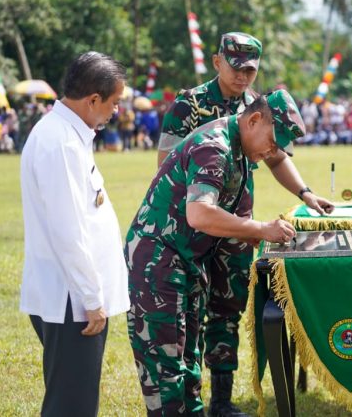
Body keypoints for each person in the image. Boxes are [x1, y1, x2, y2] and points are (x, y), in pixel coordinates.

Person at [157, 32, 333, 416]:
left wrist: (305, 193)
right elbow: (167, 167)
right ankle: (191, 400)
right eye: (236, 68)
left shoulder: (258, 106)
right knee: (188, 309)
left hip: (237, 229)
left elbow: (276, 158)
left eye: (250, 70)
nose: (242, 77)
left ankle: (221, 399)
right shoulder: (190, 104)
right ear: (218, 62)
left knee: (227, 308)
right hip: (194, 227)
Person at [126, 90, 309, 416]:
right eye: (273, 141)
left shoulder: (238, 145)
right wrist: (259, 229)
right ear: (253, 120)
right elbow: (199, 214)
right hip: (159, 261)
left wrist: (247, 233)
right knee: (166, 369)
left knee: (188, 359)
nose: (273, 151)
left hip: (186, 259)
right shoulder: (216, 147)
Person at [19, 52, 129, 417]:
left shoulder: (67, 134)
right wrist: (91, 298)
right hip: (72, 300)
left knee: (73, 400)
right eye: (113, 102)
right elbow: (69, 231)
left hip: (73, 297)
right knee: (72, 407)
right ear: (92, 100)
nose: (116, 111)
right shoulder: (60, 143)